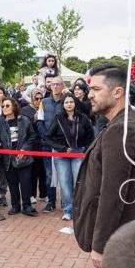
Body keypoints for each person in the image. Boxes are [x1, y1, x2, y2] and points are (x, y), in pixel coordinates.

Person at [73, 66, 135, 268]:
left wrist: (100, 245)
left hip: (122, 240)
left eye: (96, 89)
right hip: (130, 234)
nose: (89, 94)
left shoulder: (121, 130)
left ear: (117, 92)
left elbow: (112, 193)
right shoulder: (125, 124)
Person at [47, 94, 93, 222]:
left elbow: (91, 136)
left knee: (78, 182)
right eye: (66, 102)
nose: (69, 104)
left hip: (78, 154)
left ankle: (78, 210)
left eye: (71, 102)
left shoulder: (83, 118)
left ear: (75, 103)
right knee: (65, 184)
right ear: (63, 104)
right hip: (62, 156)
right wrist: (61, 148)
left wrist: (86, 149)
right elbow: (48, 137)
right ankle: (67, 210)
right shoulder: (58, 118)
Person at [0, 97, 39, 217]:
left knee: (25, 181)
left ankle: (27, 206)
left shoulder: (24, 120)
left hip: (23, 157)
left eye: (7, 105)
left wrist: (24, 149)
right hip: (8, 158)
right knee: (12, 182)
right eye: (3, 106)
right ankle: (15, 206)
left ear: (14, 107)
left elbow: (32, 136)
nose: (4, 108)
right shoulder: (0, 122)